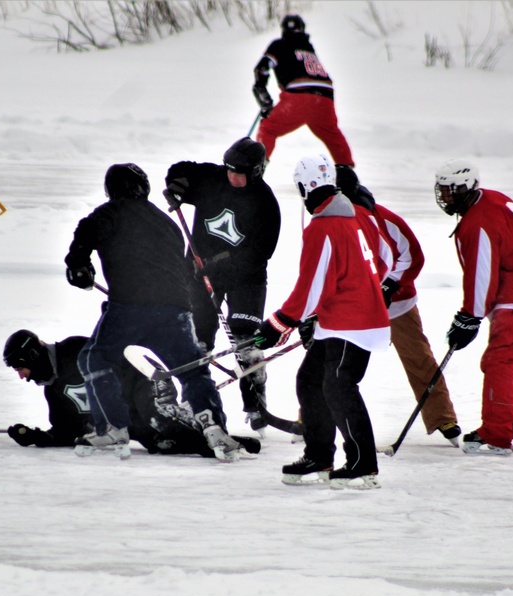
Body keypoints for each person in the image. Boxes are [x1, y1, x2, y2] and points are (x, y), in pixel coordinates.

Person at [63, 163, 246, 462]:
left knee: (94, 358)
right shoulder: (167, 222)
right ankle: (213, 426)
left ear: (112, 189)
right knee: (192, 368)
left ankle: (113, 427)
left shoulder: (111, 212)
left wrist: (78, 264)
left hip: (129, 307)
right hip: (176, 309)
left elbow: (86, 232)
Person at [253, 154, 389, 489]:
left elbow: (311, 285)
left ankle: (362, 465)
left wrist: (280, 322)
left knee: (339, 387)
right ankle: (319, 456)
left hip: (352, 323)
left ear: (304, 186)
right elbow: (383, 259)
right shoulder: (354, 217)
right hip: (345, 319)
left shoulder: (323, 227)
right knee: (311, 380)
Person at [434, 158, 513, 456]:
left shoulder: (478, 223)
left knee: (498, 361)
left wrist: (470, 316)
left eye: (451, 191)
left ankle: (497, 434)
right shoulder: (493, 198)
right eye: (442, 190)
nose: (445, 197)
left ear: (466, 188)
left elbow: (481, 275)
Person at [336, 168, 462, 449]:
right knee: (330, 361)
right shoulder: (332, 221)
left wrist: (389, 286)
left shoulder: (384, 219)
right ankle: (310, 417)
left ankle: (442, 417)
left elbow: (413, 257)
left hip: (397, 307)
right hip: (352, 308)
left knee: (419, 359)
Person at [163, 138, 281, 434]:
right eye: (229, 170)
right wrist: (176, 187)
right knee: (198, 341)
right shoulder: (212, 178)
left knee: (247, 343)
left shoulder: (265, 204)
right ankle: (196, 401)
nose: (232, 177)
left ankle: (255, 403)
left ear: (256, 172)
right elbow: (179, 170)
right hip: (199, 275)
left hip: (246, 278)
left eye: (239, 173)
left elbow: (258, 255)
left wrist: (216, 263)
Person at [2, 329, 260, 457]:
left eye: (20, 368)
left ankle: (215, 434)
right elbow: (66, 433)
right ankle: (222, 441)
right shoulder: (54, 395)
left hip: (146, 381)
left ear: (34, 357)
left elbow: (127, 364)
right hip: (127, 417)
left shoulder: (77, 349)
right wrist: (36, 437)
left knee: (158, 419)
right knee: (159, 444)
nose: (22, 376)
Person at [252, 14, 354, 169]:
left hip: (300, 96)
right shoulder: (309, 48)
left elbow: (262, 68)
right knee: (332, 134)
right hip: (325, 96)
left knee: (268, 128)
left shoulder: (279, 45)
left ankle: (255, 170)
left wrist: (262, 94)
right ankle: (348, 174)